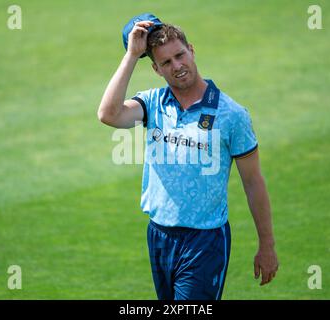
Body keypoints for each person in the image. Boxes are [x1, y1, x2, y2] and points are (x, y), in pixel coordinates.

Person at [97, 17, 279, 300]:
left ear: (192, 50)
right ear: (156, 69)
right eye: (166, 62)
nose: (177, 66)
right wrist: (132, 55)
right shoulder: (152, 103)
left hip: (204, 241)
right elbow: (108, 114)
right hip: (159, 236)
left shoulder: (232, 114)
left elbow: (253, 182)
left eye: (180, 55)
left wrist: (266, 245)